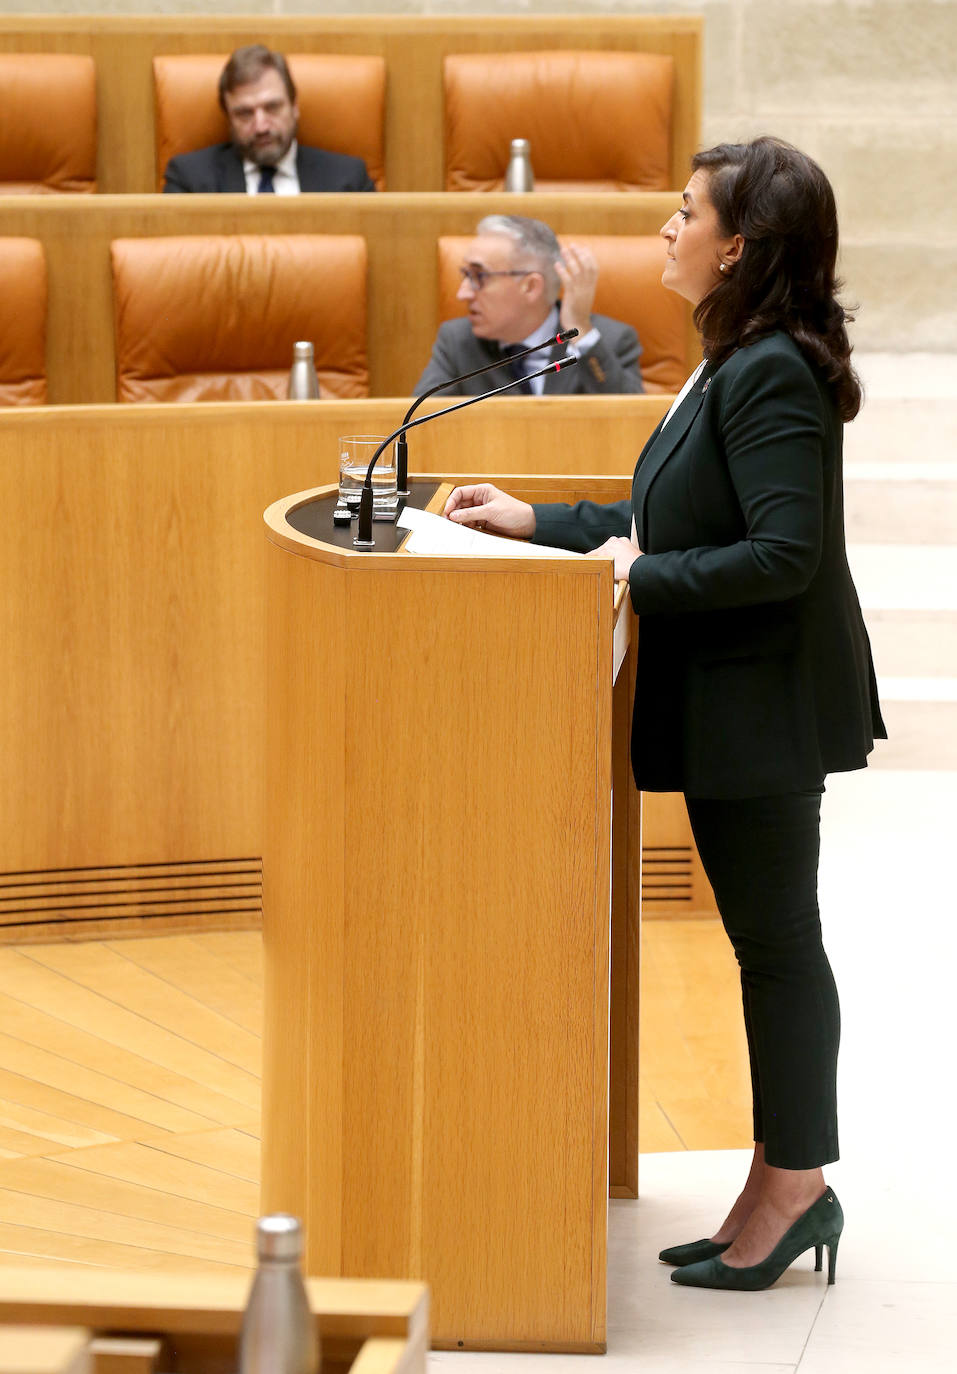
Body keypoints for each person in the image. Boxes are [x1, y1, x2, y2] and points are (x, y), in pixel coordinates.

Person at [442, 138, 886, 1291]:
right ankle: (777, 1181)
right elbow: (665, 518)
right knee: (768, 946)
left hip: (768, 704)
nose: (665, 228)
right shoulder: (732, 358)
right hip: (743, 701)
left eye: (682, 213)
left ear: (736, 246)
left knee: (778, 948)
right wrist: (536, 522)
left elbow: (781, 557)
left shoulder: (770, 368)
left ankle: (796, 1190)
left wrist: (633, 576)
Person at [412, 214, 644, 396]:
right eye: (465, 274)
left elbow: (634, 427)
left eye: (479, 276)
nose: (462, 293)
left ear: (531, 287)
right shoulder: (457, 342)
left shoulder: (609, 341)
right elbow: (419, 430)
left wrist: (578, 328)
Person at [162, 45, 376, 195]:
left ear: (294, 107)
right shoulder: (189, 180)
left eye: (272, 107)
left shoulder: (348, 180)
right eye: (245, 113)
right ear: (228, 118)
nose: (261, 127)